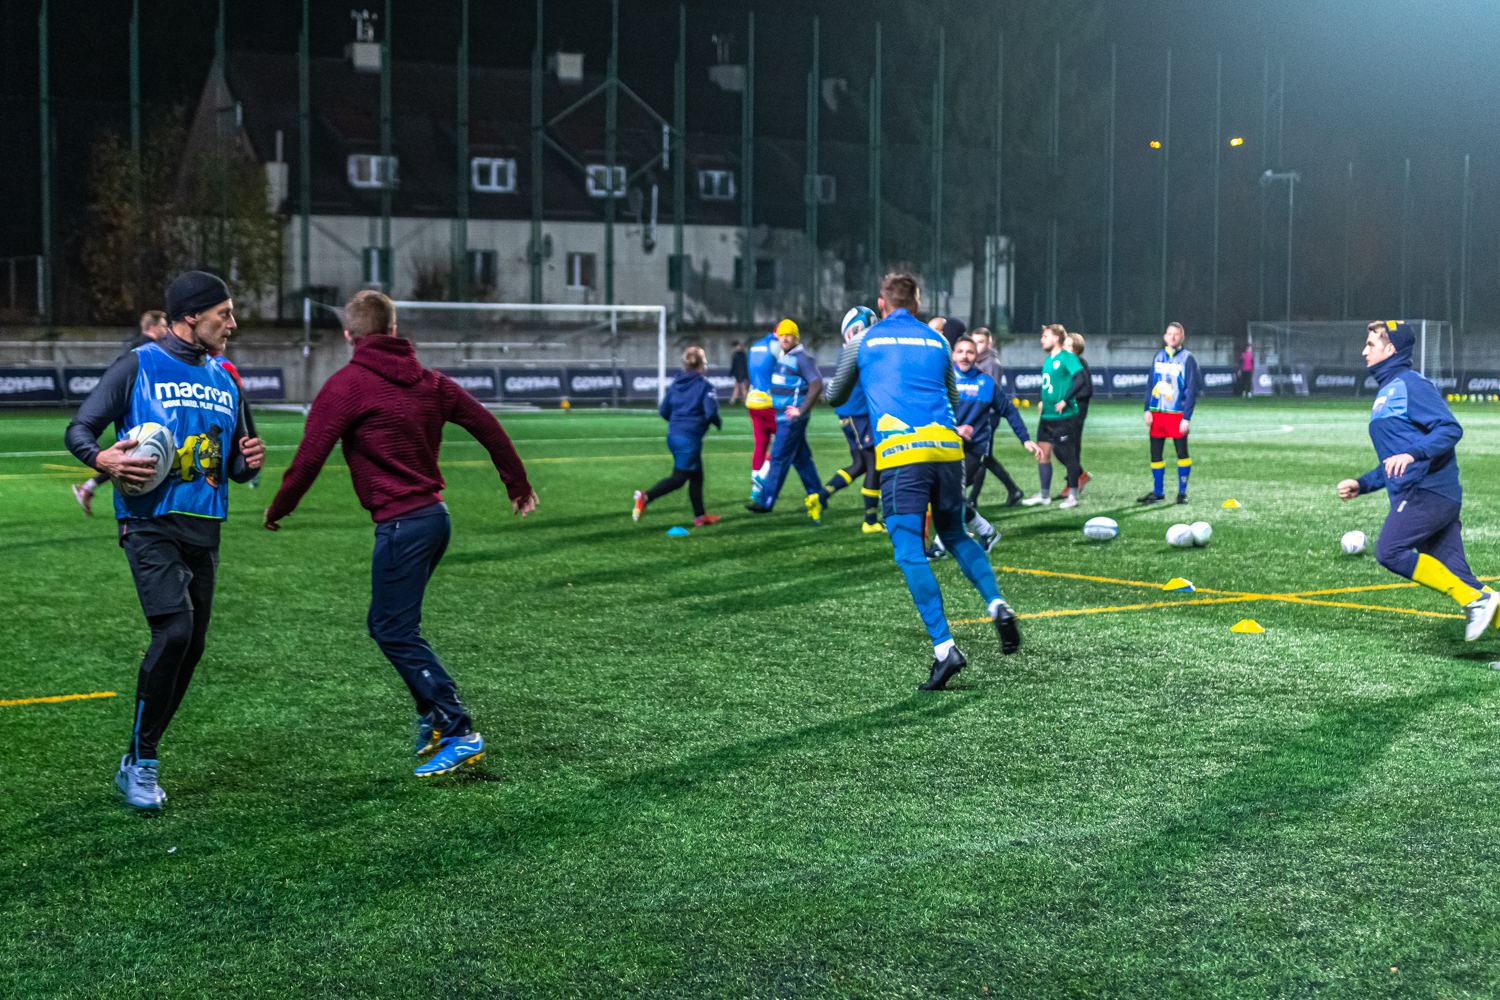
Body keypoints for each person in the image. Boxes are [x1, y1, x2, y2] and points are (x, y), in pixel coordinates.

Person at [263, 291, 537, 778]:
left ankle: (456, 726)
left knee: (393, 629)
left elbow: (309, 458)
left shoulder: (346, 385)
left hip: (402, 525)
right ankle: (433, 716)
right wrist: (517, 484)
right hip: (434, 519)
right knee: (390, 625)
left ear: (350, 336)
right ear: (394, 331)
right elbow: (488, 425)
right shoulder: (431, 381)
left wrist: (278, 507)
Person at [64, 271, 265, 809]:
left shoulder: (227, 378)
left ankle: (139, 757)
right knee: (175, 632)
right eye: (224, 313)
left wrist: (248, 466)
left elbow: (237, 465)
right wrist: (101, 459)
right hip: (148, 523)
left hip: (205, 527)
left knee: (192, 646)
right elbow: (80, 429)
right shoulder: (137, 364)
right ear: (191, 316)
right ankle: (142, 762)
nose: (233, 323)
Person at [826, 272, 1021, 691]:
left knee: (909, 549)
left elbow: (834, 396)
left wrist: (857, 366)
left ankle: (944, 648)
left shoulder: (865, 342)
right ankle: (997, 603)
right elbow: (951, 397)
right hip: (948, 451)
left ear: (882, 304)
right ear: (917, 304)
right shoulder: (938, 342)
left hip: (903, 454)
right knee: (955, 533)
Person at [1336, 321, 1498, 640]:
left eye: (1370, 344)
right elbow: (1394, 459)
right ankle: (1478, 597)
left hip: (1428, 492)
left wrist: (1413, 453)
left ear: (1390, 349)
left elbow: (1450, 429)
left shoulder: (1410, 384)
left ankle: (1474, 601)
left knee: (1389, 551)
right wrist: (1363, 483)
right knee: (1459, 574)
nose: (1364, 350)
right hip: (1431, 494)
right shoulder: (1388, 390)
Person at [72, 310, 171, 515]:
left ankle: (88, 486)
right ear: (152, 327)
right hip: (142, 415)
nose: (166, 329)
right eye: (163, 325)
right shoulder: (147, 352)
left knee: (129, 459)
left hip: (139, 414)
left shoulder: (137, 348)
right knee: (134, 458)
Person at [949, 334, 1039, 551]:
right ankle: (986, 531)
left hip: (974, 448)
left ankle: (940, 544)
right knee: (946, 494)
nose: (965, 356)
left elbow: (1009, 410)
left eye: (970, 352)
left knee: (951, 494)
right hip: (947, 445)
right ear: (953, 354)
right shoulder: (944, 381)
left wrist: (1025, 439)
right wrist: (954, 429)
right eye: (960, 351)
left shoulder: (985, 383)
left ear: (977, 356)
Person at [744, 319, 827, 521]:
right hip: (782, 417)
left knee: (779, 458)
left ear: (796, 337)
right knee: (802, 460)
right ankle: (819, 498)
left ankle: (766, 501)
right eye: (782, 335)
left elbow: (816, 384)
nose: (785, 338)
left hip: (790, 420)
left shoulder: (802, 358)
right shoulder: (784, 357)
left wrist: (801, 410)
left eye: (789, 335)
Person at [634, 346, 722, 526]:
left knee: (697, 476)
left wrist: (678, 425)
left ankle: (700, 517)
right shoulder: (705, 386)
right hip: (689, 441)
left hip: (674, 437)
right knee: (679, 479)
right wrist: (716, 422)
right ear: (702, 365)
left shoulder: (675, 385)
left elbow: (664, 411)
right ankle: (646, 497)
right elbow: (711, 412)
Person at [822, 310, 883, 534]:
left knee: (859, 465)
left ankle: (820, 496)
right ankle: (870, 521)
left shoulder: (849, 350)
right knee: (875, 464)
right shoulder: (861, 350)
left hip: (848, 415)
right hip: (858, 415)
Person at [1020, 324, 1088, 509]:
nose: (1042, 339)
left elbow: (1081, 380)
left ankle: (1073, 495)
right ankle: (1044, 495)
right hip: (1047, 417)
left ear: (1056, 338)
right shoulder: (1048, 360)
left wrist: (1066, 399)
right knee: (1043, 453)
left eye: (1045, 336)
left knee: (1068, 455)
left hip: (1064, 417)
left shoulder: (1068, 357)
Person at [1137, 321, 1200, 505]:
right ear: (1165, 337)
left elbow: (1192, 391)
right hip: (1157, 414)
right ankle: (1158, 492)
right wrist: (1147, 409)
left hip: (1176, 415)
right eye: (1169, 333)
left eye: (1176, 334)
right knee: (1155, 453)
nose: (1172, 337)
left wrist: (1186, 418)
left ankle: (1182, 493)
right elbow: (1150, 385)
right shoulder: (1158, 356)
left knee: (1182, 453)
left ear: (1182, 338)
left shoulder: (1188, 359)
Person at [971, 327, 1026, 506]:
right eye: (975, 342)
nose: (977, 346)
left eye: (980, 342)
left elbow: (989, 393)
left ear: (989, 342)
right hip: (982, 416)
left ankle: (972, 499)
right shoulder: (978, 360)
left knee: (982, 456)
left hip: (989, 416)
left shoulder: (991, 363)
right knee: (985, 457)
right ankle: (1012, 489)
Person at [744, 325, 781, 501]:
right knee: (783, 440)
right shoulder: (777, 346)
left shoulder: (755, 344)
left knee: (760, 444)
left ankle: (755, 489)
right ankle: (762, 475)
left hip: (752, 401)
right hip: (769, 402)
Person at [1063, 331, 1094, 497]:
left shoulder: (1078, 364)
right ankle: (1076, 476)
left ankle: (1073, 481)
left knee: (1070, 446)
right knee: (1065, 446)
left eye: (1068, 345)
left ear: (1076, 348)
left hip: (1076, 409)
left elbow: (1086, 389)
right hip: (1069, 409)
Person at [728, 339, 750, 405]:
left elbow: (735, 365)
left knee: (740, 387)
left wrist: (732, 373)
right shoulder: (742, 353)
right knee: (741, 387)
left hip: (739, 374)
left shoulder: (737, 354)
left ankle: (734, 401)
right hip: (741, 373)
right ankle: (742, 401)